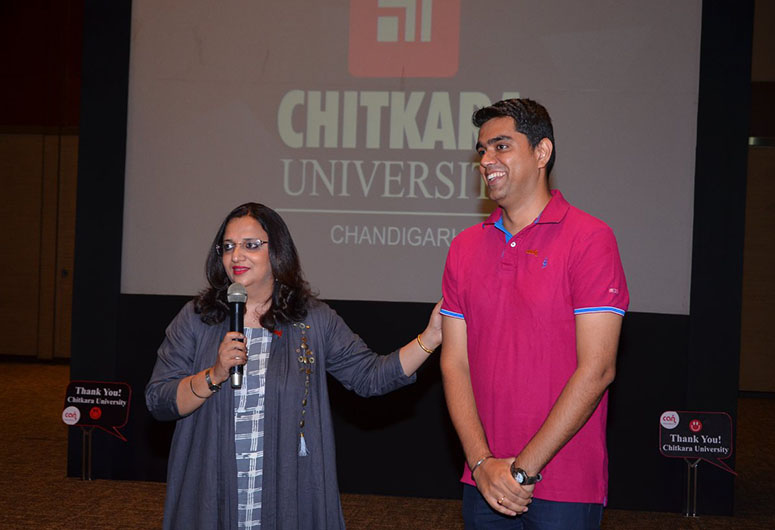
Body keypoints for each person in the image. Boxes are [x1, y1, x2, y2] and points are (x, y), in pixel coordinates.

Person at [146, 203, 442, 529]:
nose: (236, 256)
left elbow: (370, 376)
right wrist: (214, 375)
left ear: (277, 251)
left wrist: (430, 337)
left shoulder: (312, 320)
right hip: (211, 491)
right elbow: (159, 400)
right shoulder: (197, 318)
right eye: (228, 246)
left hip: (285, 491)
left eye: (250, 245)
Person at [439, 98, 629, 530]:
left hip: (564, 484)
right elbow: (454, 363)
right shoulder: (464, 247)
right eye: (482, 150)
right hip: (483, 481)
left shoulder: (590, 239)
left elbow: (598, 369)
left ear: (542, 152)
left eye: (501, 146)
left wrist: (521, 471)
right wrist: (482, 463)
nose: (487, 160)